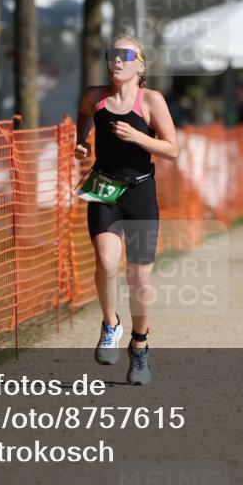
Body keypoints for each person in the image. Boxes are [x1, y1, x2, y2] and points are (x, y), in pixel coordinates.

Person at [74, 34, 179, 386]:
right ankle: (110, 325)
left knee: (139, 278)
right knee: (106, 262)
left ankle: (140, 345)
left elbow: (172, 149)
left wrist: (138, 138)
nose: (117, 60)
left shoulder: (150, 100)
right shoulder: (95, 97)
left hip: (140, 192)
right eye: (112, 54)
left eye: (126, 54)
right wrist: (81, 141)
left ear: (141, 66)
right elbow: (83, 115)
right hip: (103, 189)